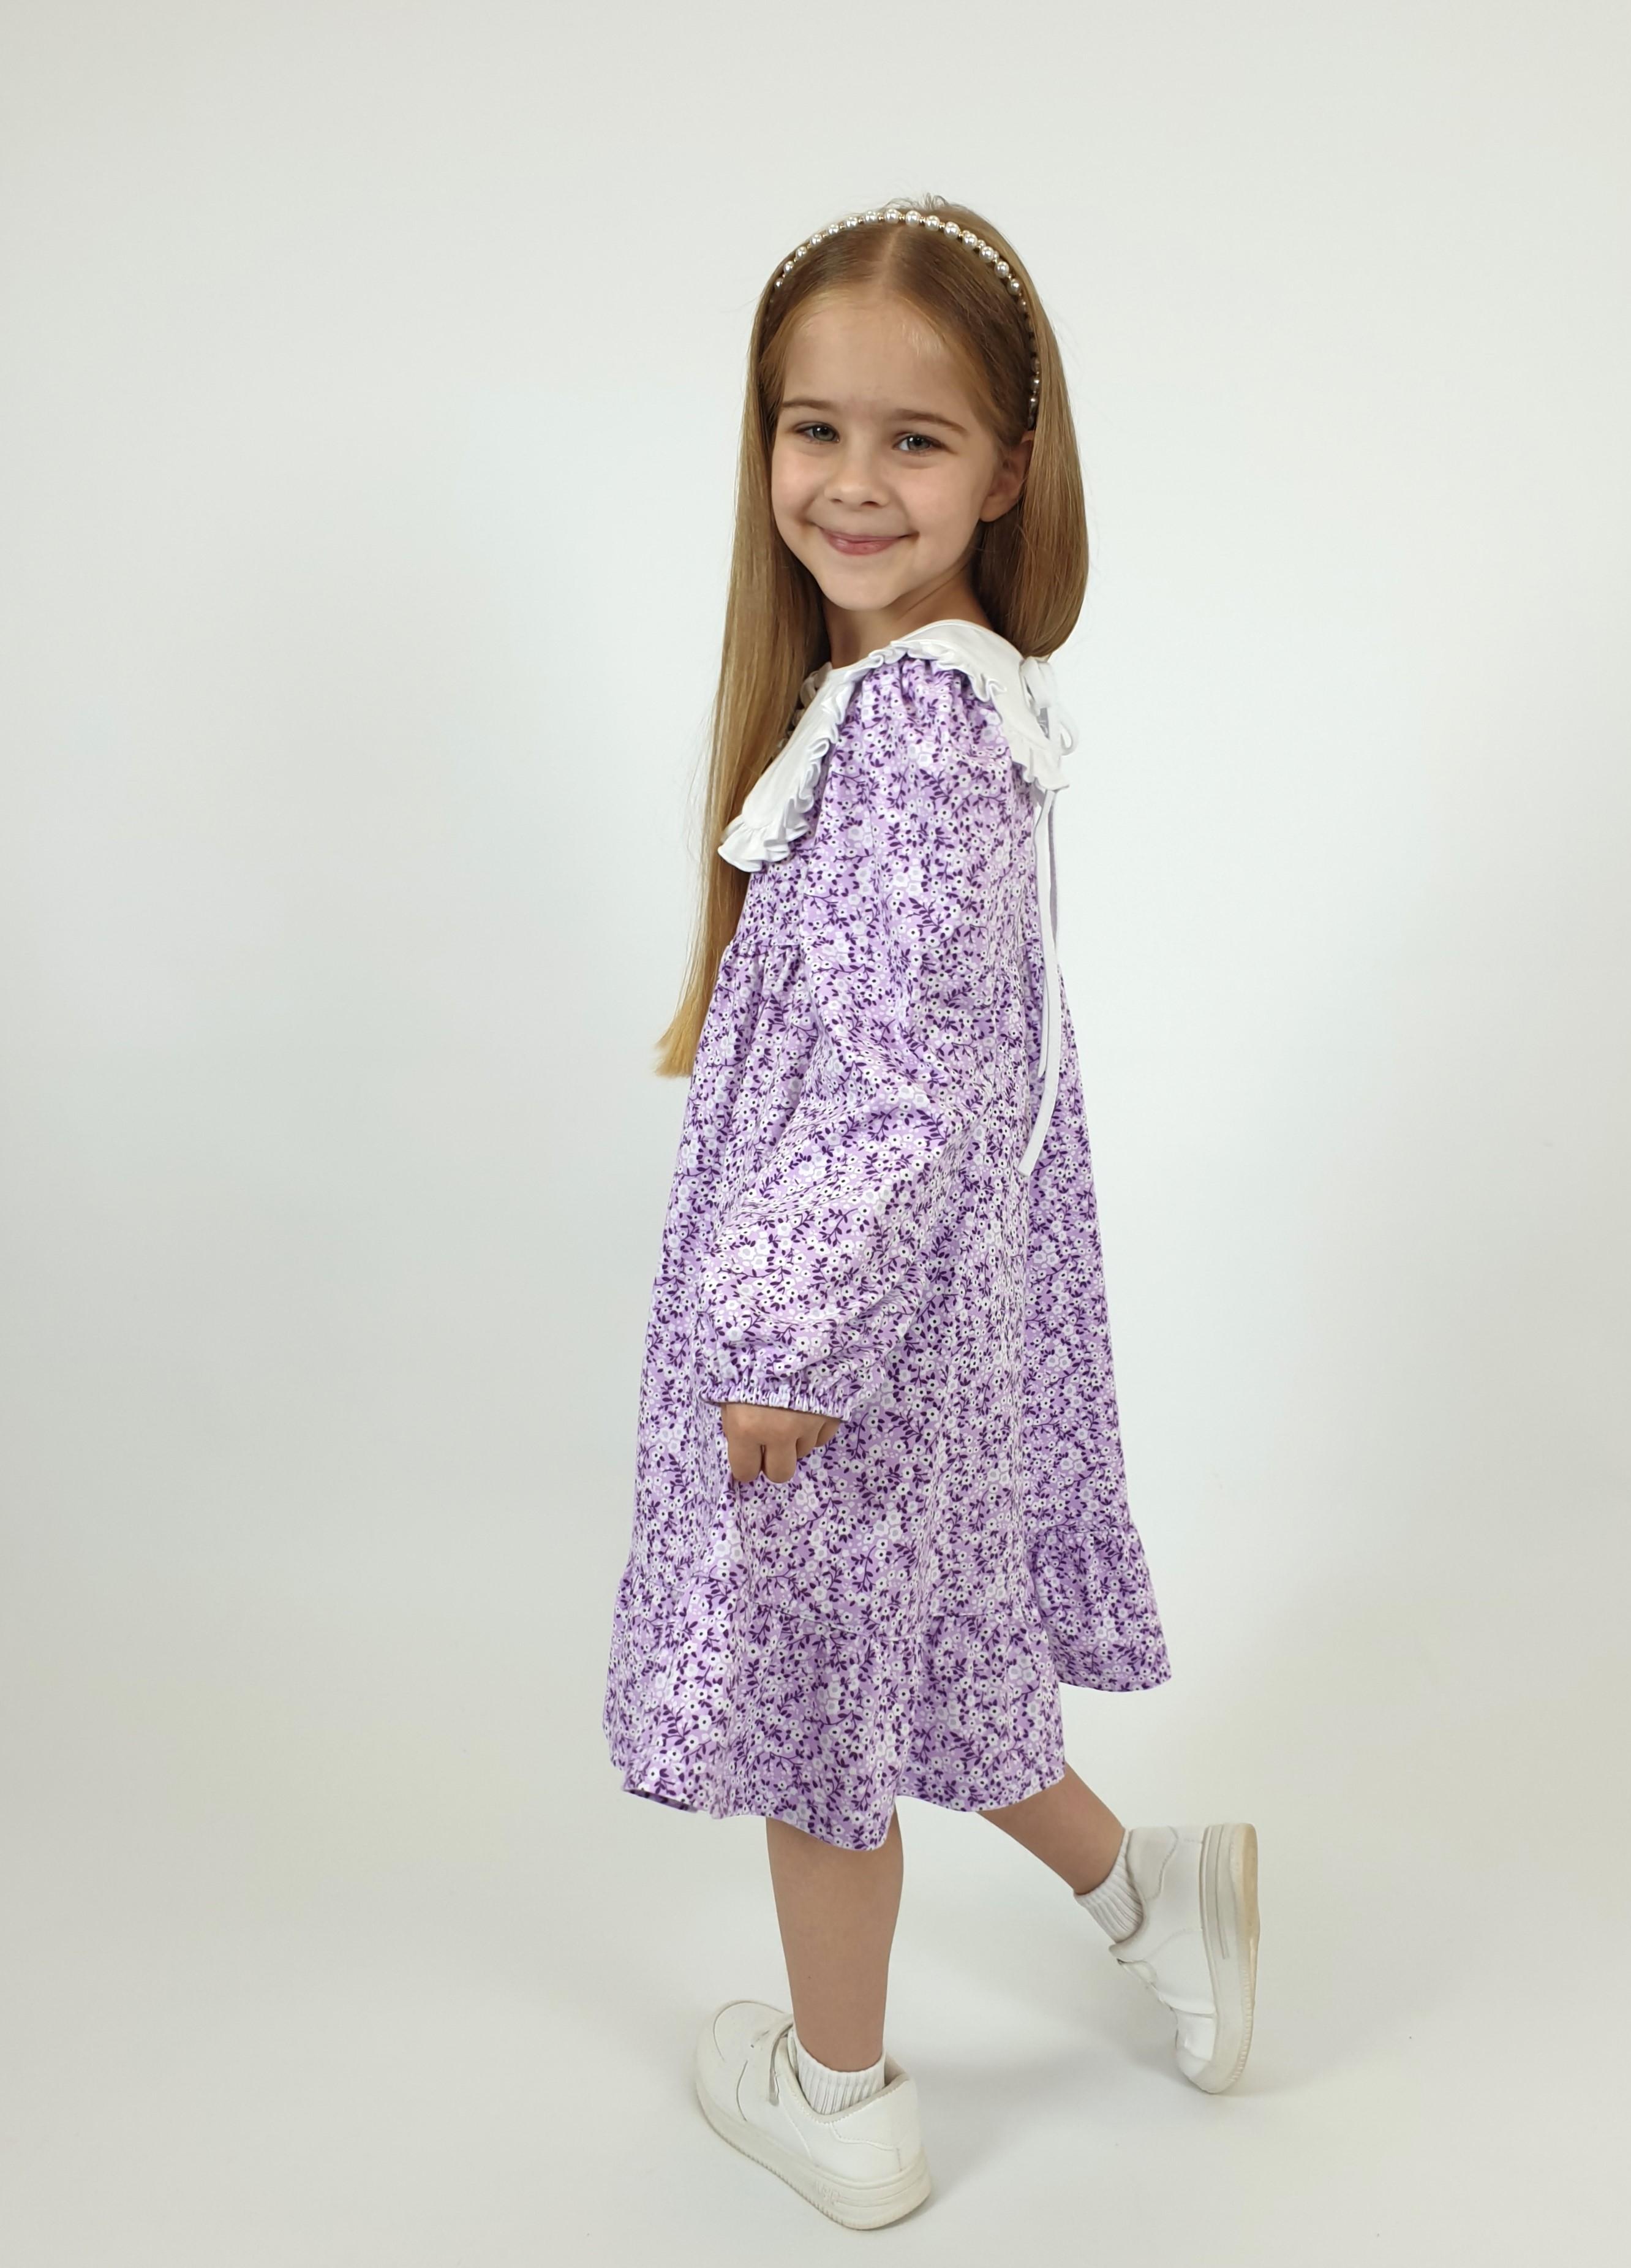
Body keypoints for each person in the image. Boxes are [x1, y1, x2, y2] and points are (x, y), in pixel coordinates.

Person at [602, 194, 1259, 2231]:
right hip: (922, 1310)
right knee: (942, 1648)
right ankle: (1155, 1895)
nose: (855, 482)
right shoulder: (917, 706)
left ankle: (843, 2100)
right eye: (816, 430)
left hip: (844, 1333)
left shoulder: (914, 737)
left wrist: (787, 1339)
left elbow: (906, 1085)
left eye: (917, 438)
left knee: (821, 1710)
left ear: (1008, 471)